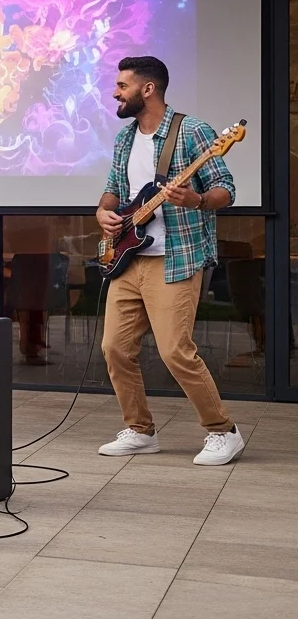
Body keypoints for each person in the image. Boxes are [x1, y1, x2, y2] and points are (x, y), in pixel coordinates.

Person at [95, 56, 244, 466]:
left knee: (176, 350)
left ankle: (222, 431)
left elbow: (225, 190)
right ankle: (140, 430)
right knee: (114, 348)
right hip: (130, 258)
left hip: (175, 258)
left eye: (122, 85)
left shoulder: (193, 131)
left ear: (148, 89)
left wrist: (194, 198)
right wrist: (103, 212)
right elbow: (113, 189)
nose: (115, 92)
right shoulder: (125, 138)